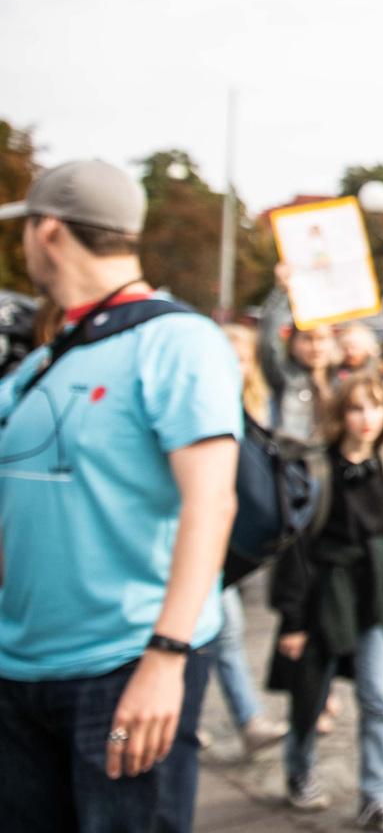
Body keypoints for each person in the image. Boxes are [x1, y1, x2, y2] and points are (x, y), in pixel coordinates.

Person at [0, 159, 241, 830]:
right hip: (20, 667)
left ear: (48, 231)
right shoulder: (46, 356)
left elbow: (211, 502)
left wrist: (165, 657)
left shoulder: (177, 341)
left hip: (123, 665)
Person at [269, 371, 383, 830]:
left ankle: (375, 795)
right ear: (341, 415)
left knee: (379, 697)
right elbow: (295, 546)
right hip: (324, 592)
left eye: (375, 407)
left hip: (376, 592)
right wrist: (293, 619)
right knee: (311, 695)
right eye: (356, 408)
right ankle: (299, 768)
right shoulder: (316, 467)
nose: (367, 418)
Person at [207, 323, 292, 757]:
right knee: (222, 629)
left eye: (241, 359)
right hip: (207, 539)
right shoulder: (201, 407)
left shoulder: (255, 407)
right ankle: (246, 719)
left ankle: (229, 718)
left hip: (237, 537)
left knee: (216, 632)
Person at [259, 274, 337, 442]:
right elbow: (268, 342)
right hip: (294, 460)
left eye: (322, 339)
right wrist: (281, 291)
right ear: (292, 345)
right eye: (307, 339)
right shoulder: (286, 376)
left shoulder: (340, 379)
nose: (316, 347)